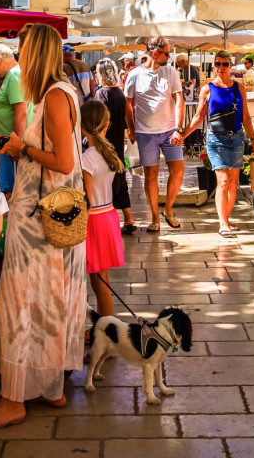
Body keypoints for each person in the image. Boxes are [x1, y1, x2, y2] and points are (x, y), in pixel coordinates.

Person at [0, 23, 87, 433]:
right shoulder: (61, 91)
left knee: (18, 304)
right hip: (52, 221)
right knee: (48, 303)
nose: (18, 56)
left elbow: (64, 163)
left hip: (38, 225)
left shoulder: (54, 96)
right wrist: (13, 144)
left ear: (33, 53)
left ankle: (12, 399)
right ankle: (49, 385)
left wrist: (19, 147)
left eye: (22, 49)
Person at [181, 50, 254, 237]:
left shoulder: (239, 87)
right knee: (223, 181)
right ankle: (222, 223)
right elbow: (199, 116)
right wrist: (183, 135)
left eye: (225, 64)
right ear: (214, 66)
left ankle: (227, 218)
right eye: (217, 64)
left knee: (233, 183)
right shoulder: (208, 88)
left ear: (230, 66)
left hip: (237, 138)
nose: (221, 68)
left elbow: (246, 117)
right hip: (216, 139)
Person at [124, 36, 186, 232]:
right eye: (167, 53)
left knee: (178, 171)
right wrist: (132, 129)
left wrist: (178, 128)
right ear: (154, 53)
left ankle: (167, 210)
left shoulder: (171, 72)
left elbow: (180, 101)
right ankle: (154, 218)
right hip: (145, 133)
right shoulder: (135, 74)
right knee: (151, 175)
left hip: (169, 131)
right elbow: (127, 103)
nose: (170, 56)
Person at [80, 100, 126, 317]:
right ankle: (103, 327)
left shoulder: (87, 158)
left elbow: (86, 199)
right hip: (107, 216)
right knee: (102, 281)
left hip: (94, 220)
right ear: (106, 126)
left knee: (98, 283)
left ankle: (105, 331)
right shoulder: (105, 153)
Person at [94, 58, 136, 234]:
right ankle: (128, 218)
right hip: (118, 145)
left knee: (103, 185)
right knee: (120, 181)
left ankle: (107, 222)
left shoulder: (101, 94)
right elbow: (129, 114)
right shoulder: (120, 93)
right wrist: (132, 132)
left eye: (97, 72)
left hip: (104, 146)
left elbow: (100, 123)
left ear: (101, 74)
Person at [0, 43, 30, 195]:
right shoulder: (12, 75)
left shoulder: (14, 75)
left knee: (10, 193)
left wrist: (15, 147)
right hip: (6, 145)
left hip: (9, 147)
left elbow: (21, 113)